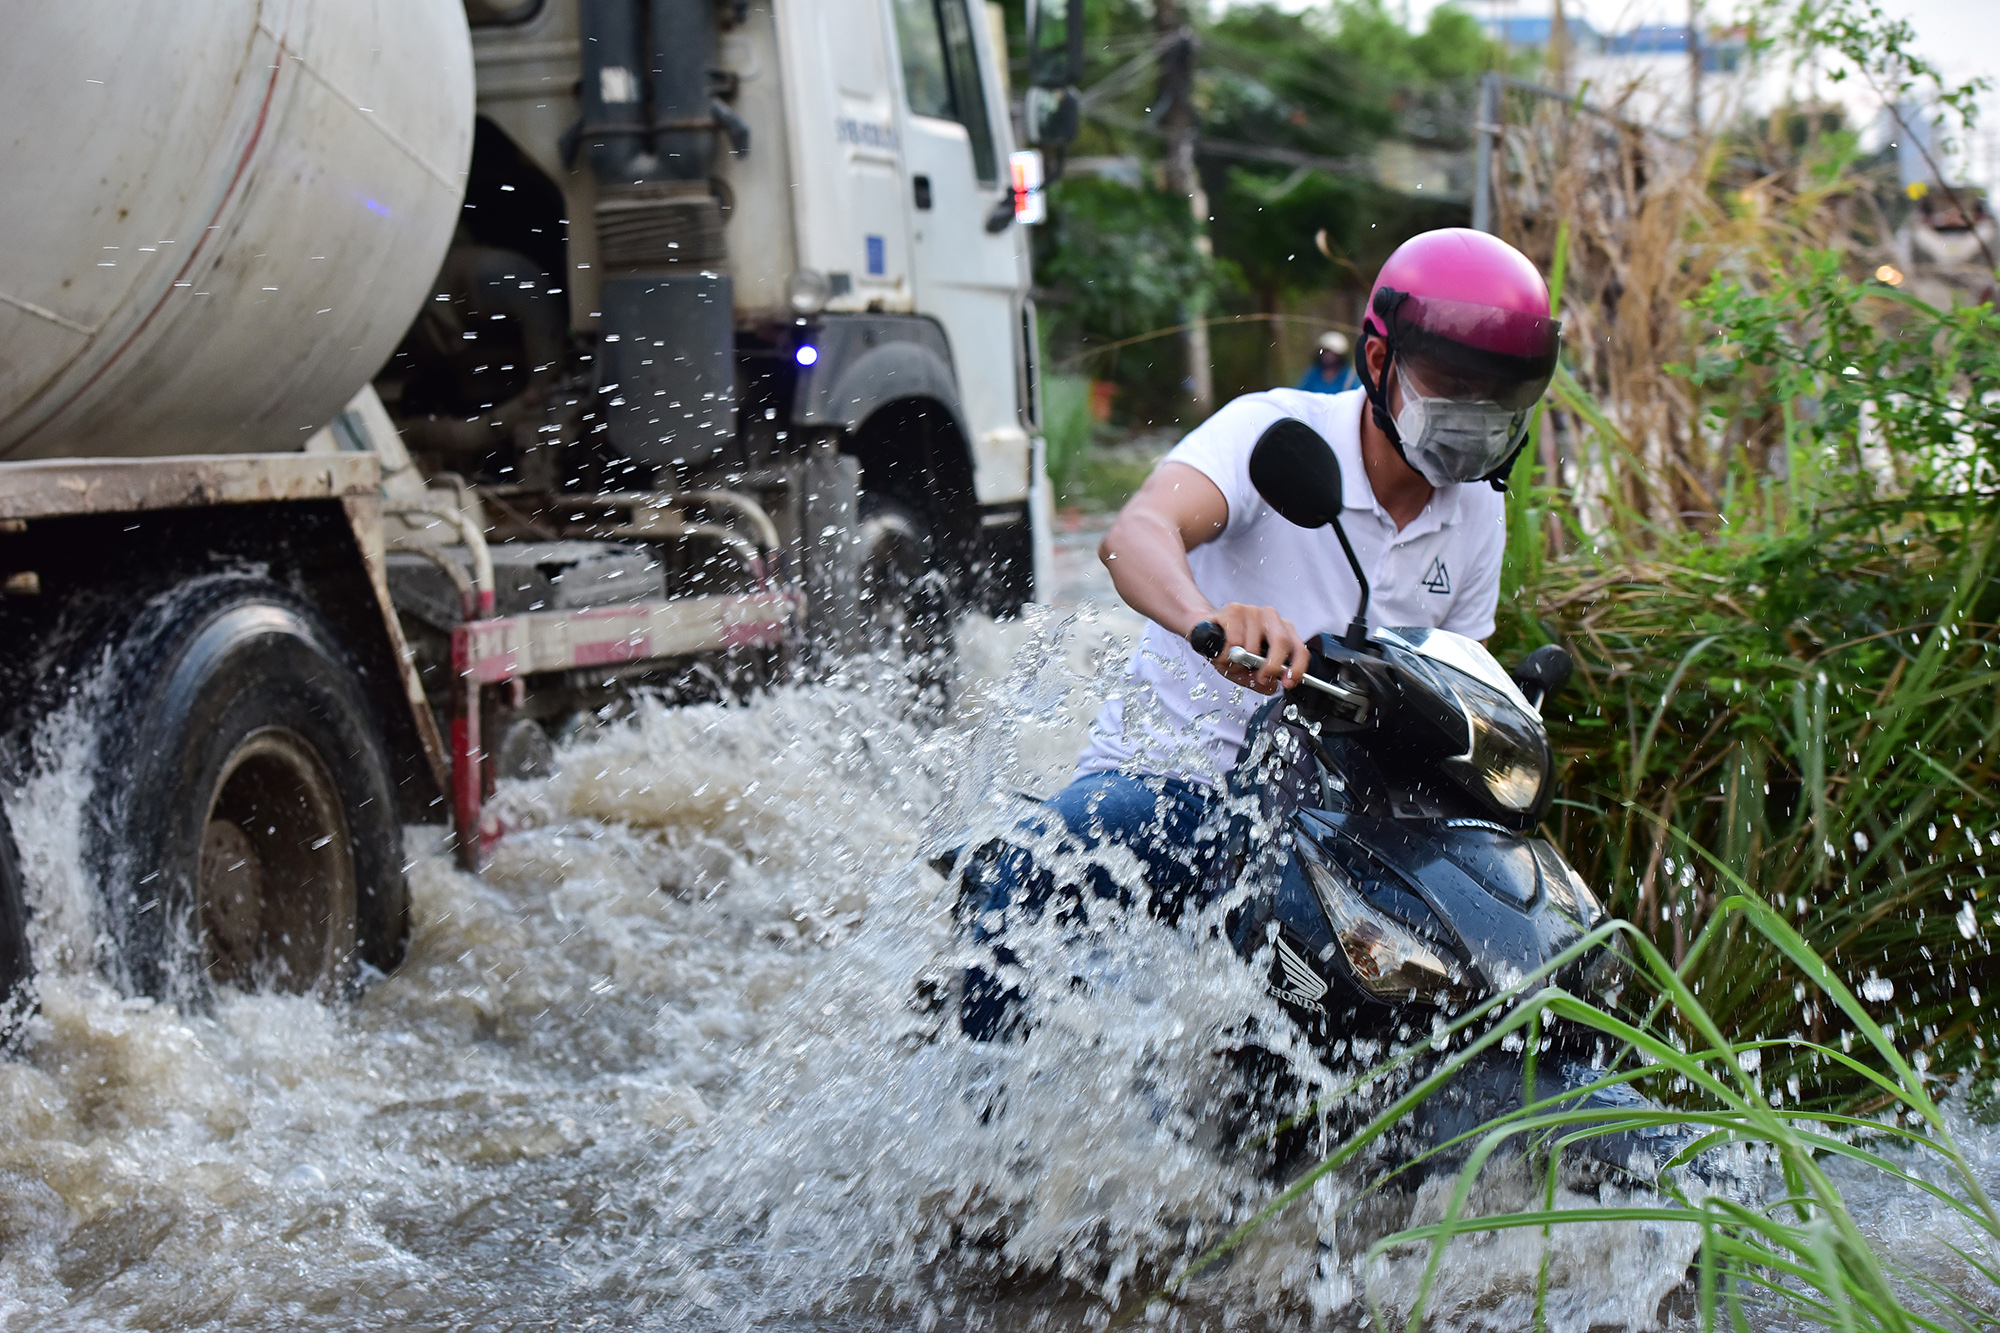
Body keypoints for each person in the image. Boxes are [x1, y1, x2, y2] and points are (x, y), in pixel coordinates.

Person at [959, 227, 1562, 1041]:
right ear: (1379, 364)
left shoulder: (1477, 508)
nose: (1471, 422)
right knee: (1040, 865)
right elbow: (1135, 536)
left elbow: (1457, 673)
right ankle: (982, 1111)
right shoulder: (1272, 433)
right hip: (1184, 784)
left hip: (1342, 831)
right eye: (1450, 388)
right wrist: (1208, 622)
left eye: (1497, 403)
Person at [1296, 329, 1358, 394]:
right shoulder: (1313, 374)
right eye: (1325, 352)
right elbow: (1299, 394)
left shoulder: (1348, 376)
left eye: (1332, 353)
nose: (1328, 356)